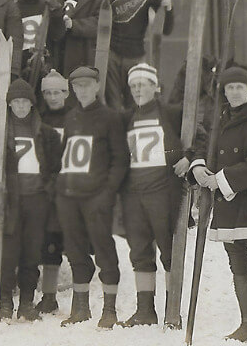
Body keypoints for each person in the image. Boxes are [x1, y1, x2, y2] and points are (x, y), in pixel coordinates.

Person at [189, 67, 247, 346]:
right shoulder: (219, 121)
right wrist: (198, 167)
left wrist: (218, 180)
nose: (234, 92)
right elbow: (202, 147)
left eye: (239, 87)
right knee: (238, 267)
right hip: (229, 209)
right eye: (229, 88)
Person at [118, 63, 196, 327]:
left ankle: (172, 310)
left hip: (163, 193)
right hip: (133, 195)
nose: (138, 89)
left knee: (168, 251)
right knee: (139, 251)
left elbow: (202, 136)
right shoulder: (126, 117)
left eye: (143, 84)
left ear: (155, 86)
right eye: (134, 86)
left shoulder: (172, 113)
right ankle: (145, 310)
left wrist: (190, 158)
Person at [0, 78, 62, 321]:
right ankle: (5, 301)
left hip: (36, 201)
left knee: (31, 253)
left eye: (24, 102)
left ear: (31, 104)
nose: (19, 107)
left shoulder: (45, 133)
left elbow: (56, 168)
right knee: (8, 253)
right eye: (15, 102)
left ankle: (26, 302)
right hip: (9, 200)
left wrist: (47, 192)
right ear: (9, 105)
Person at [56, 66, 129, 328]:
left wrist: (107, 193)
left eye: (87, 85)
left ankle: (109, 310)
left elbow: (120, 160)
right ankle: (81, 308)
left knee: (104, 250)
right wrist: (60, 190)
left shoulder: (110, 118)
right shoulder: (71, 117)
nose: (82, 90)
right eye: (77, 86)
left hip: (96, 197)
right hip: (69, 197)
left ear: (96, 86)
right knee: (75, 251)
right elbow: (66, 154)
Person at [105, 0, 173, 110]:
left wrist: (169, 9)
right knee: (113, 101)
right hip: (112, 55)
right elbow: (100, 22)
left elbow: (165, 30)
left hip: (136, 57)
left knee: (135, 101)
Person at [36, 70, 74, 314]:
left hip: (72, 190)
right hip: (47, 190)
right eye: (48, 92)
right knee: (50, 243)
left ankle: (82, 302)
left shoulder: (76, 119)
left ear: (66, 93)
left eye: (57, 92)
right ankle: (49, 297)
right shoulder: (38, 120)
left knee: (77, 244)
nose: (52, 97)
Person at [14, 0, 63, 81]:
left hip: (44, 65)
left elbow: (58, 35)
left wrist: (56, 9)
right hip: (21, 66)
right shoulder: (13, 10)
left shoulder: (46, 8)